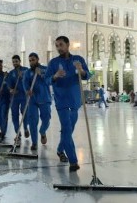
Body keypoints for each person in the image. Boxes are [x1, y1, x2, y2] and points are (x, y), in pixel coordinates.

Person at [44, 36, 91, 172]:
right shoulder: (53, 63)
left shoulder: (78, 60)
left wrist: (81, 70)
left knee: (68, 130)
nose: (59, 48)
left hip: (75, 101)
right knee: (66, 127)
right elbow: (47, 80)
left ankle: (60, 149)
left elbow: (87, 75)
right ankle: (73, 161)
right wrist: (55, 76)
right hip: (61, 101)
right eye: (57, 46)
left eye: (61, 45)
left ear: (68, 44)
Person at [23, 53, 51, 151]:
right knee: (32, 121)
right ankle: (34, 143)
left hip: (44, 98)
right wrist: (27, 90)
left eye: (33, 60)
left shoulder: (46, 69)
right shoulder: (27, 72)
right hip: (32, 99)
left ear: (38, 59)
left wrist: (42, 74)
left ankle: (42, 131)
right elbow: (25, 83)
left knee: (46, 119)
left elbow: (50, 81)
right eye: (30, 60)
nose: (31, 62)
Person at [6, 55, 30, 142]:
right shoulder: (11, 73)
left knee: (25, 113)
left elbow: (30, 80)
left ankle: (25, 128)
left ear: (20, 61)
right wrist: (11, 90)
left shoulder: (26, 70)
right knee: (14, 115)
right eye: (13, 62)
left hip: (24, 96)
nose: (15, 63)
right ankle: (18, 133)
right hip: (14, 97)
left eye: (16, 61)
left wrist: (22, 77)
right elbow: (9, 85)